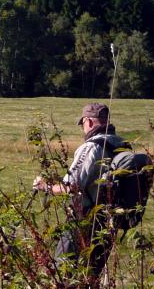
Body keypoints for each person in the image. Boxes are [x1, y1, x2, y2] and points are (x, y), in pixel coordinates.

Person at [32, 103, 126, 277]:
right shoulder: (122, 144)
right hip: (110, 221)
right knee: (92, 276)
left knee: (64, 270)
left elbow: (71, 186)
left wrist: (45, 186)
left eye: (82, 123)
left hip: (85, 220)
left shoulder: (91, 147)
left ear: (88, 122)